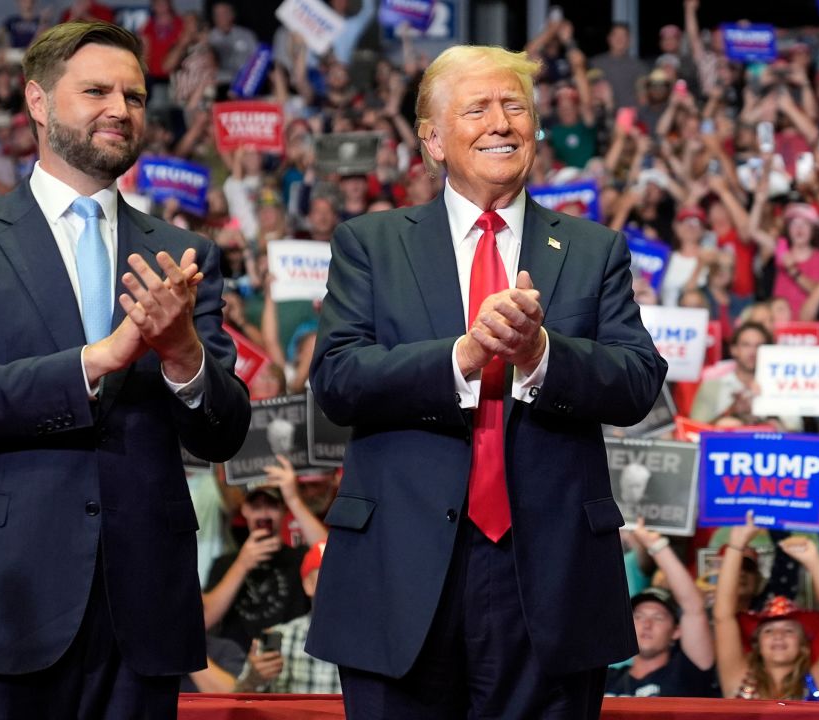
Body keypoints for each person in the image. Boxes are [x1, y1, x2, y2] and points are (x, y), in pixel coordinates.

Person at [0, 21, 251, 719]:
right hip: (0, 609)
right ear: (36, 100)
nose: (120, 109)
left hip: (143, 613)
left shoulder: (186, 256)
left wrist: (183, 353)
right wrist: (99, 359)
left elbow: (223, 432)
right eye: (96, 90)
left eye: (135, 95)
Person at [307, 45, 667, 719]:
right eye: (478, 108)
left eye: (516, 107)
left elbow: (638, 381)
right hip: (400, 571)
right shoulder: (371, 244)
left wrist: (540, 354)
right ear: (433, 139)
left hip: (551, 579)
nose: (501, 123)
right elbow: (338, 379)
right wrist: (464, 357)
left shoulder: (593, 250)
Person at [713, 514, 819, 701]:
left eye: (788, 630)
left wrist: (814, 563)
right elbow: (723, 617)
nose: (778, 636)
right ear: (757, 644)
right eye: (769, 631)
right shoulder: (737, 680)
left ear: (803, 643)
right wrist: (736, 545)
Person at [604, 522, 719, 698]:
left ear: (676, 631)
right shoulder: (606, 680)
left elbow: (693, 609)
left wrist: (656, 546)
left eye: (658, 617)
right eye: (638, 616)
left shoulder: (686, 674)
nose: (646, 624)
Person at [203, 486, 310, 652]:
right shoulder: (224, 563)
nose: (264, 515)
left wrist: (295, 500)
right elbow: (204, 619)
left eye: (272, 506)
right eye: (256, 507)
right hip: (235, 662)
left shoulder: (301, 557)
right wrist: (242, 565)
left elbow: (326, 551)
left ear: (283, 510)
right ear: (245, 510)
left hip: (290, 655)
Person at [237, 539, 341, 694]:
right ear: (307, 585)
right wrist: (253, 679)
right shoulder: (280, 637)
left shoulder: (370, 640)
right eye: (325, 576)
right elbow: (239, 704)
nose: (335, 585)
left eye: (343, 576)